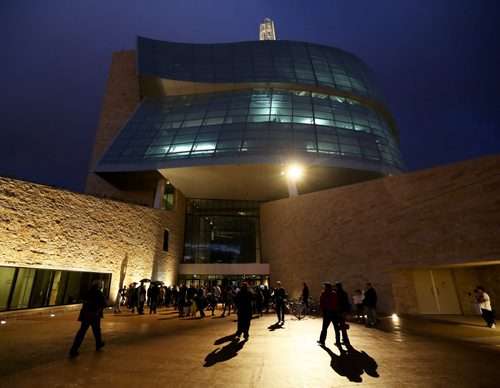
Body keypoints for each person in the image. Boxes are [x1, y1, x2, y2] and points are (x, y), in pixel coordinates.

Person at [69, 280, 106, 357]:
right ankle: (98, 343)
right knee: (96, 330)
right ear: (98, 286)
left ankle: (74, 349)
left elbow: (83, 299)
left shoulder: (88, 292)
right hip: (94, 315)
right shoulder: (98, 293)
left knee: (82, 331)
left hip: (86, 314)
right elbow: (103, 304)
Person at [317, 282, 342, 347]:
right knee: (336, 328)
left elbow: (321, 302)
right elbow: (337, 302)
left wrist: (323, 310)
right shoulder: (334, 293)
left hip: (327, 312)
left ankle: (322, 341)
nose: (323, 287)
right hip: (334, 312)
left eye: (324, 286)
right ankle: (338, 342)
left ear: (326, 287)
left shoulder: (323, 293)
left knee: (324, 327)